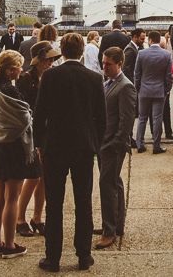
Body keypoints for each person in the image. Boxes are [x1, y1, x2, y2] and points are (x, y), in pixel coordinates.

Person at [33, 32, 106, 273]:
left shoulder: (50, 76)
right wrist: (95, 142)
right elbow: (101, 118)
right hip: (83, 146)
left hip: (55, 145)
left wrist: (39, 143)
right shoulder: (94, 78)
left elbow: (40, 114)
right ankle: (84, 255)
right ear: (82, 50)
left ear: (61, 51)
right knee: (83, 202)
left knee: (54, 204)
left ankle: (52, 257)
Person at [0, 50, 34, 259]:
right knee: (12, 198)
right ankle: (10, 246)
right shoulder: (10, 91)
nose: (22, 70)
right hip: (13, 147)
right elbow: (24, 118)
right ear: (11, 70)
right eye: (19, 67)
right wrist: (31, 115)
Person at [14, 41, 58, 238]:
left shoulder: (47, 77)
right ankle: (19, 219)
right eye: (48, 59)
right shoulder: (26, 79)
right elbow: (23, 108)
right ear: (39, 60)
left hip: (46, 133)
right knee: (32, 178)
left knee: (43, 179)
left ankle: (37, 217)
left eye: (52, 60)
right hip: (31, 133)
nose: (50, 63)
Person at [95, 47, 137, 250]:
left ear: (119, 63)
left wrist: (115, 144)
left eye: (108, 64)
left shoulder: (125, 87)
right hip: (104, 143)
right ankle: (116, 224)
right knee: (114, 183)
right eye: (103, 63)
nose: (104, 67)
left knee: (107, 186)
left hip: (113, 145)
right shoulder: (108, 83)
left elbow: (126, 120)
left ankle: (109, 231)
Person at [134, 30, 172, 154]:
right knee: (157, 119)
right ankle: (156, 146)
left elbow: (137, 74)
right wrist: (167, 89)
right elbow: (168, 76)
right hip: (159, 90)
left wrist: (138, 88)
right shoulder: (166, 55)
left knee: (142, 118)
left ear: (149, 40)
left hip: (144, 90)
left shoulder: (141, 53)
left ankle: (140, 144)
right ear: (158, 40)